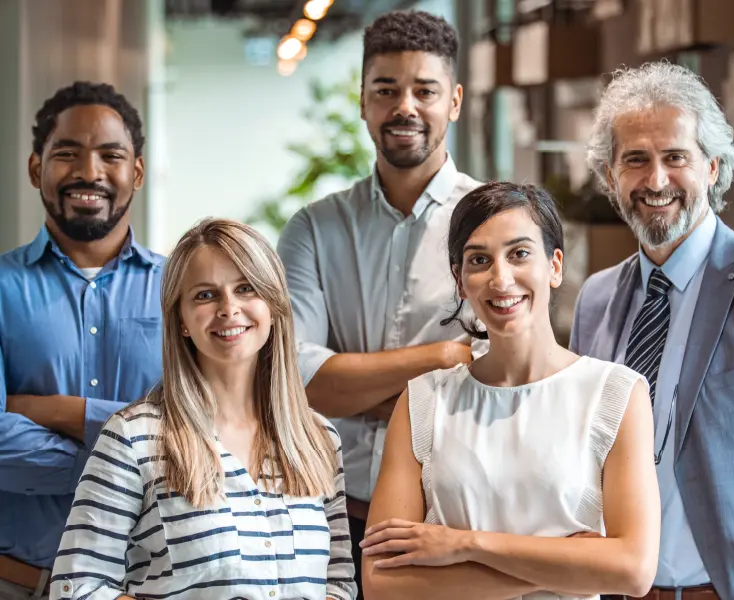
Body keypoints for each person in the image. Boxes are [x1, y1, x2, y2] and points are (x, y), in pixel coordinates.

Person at [360, 181, 661, 600]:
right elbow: (382, 583)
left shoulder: (615, 394)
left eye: (519, 254)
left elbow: (632, 570)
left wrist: (465, 544)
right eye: (479, 260)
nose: (501, 278)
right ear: (460, 281)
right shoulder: (422, 402)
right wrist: (570, 567)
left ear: (555, 266)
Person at [571, 61, 734, 600]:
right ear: (610, 176)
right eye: (635, 160)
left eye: (676, 157)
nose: (655, 180)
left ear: (713, 168)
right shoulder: (595, 300)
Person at [277, 10, 484, 596]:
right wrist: (443, 357)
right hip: (330, 518)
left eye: (425, 90)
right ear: (363, 101)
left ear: (456, 101)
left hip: (456, 519)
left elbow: (497, 378)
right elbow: (298, 382)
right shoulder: (313, 230)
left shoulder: (494, 222)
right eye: (386, 90)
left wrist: (357, 384)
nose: (405, 107)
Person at [49, 219, 357, 600]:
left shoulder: (318, 438)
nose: (229, 308)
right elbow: (75, 588)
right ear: (181, 320)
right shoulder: (133, 438)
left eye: (246, 288)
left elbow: (339, 584)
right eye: (205, 295)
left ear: (274, 305)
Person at [0, 82, 163, 600]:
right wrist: (137, 458)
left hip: (152, 586)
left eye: (109, 155)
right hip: (17, 583)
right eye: (66, 153)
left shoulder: (184, 291)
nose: (88, 172)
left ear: (135, 172)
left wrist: (57, 412)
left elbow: (209, 434)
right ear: (35, 169)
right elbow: (174, 448)